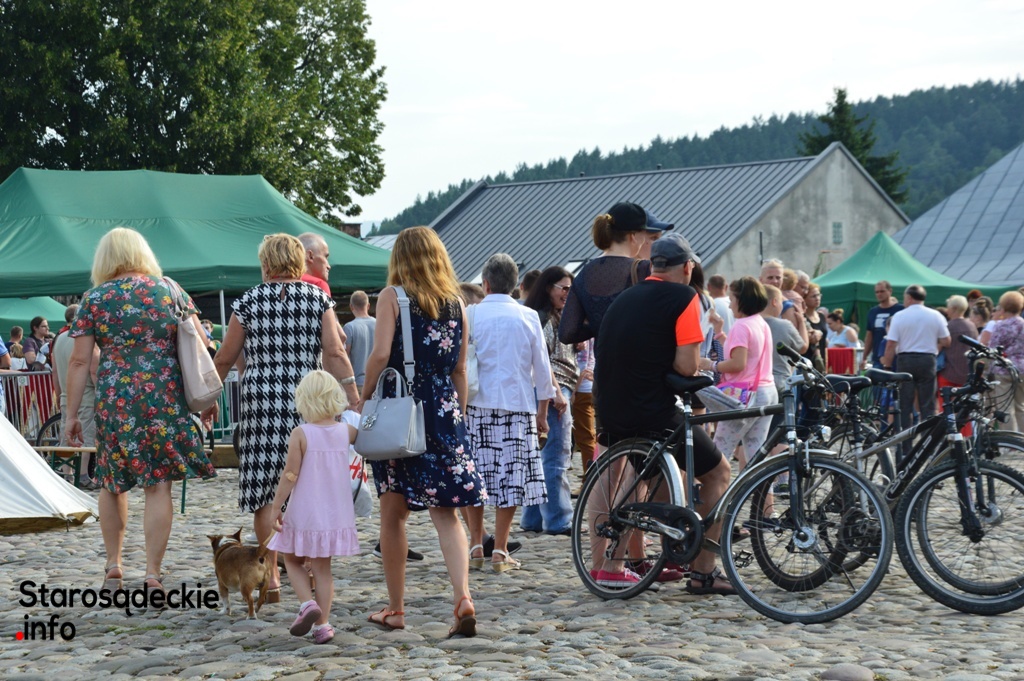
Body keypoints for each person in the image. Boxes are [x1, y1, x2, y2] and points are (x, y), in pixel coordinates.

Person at [207, 233, 360, 604]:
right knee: (306, 482)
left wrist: (208, 399)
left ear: (265, 264)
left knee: (265, 491)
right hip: (308, 401)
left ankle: (271, 576)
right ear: (300, 261)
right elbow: (335, 352)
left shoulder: (248, 302)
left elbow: (225, 357)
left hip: (260, 403)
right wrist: (353, 396)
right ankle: (308, 566)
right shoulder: (318, 299)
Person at [65, 227, 216, 595]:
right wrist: (208, 398)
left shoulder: (95, 299)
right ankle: (152, 573)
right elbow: (201, 344)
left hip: (116, 401)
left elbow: (80, 361)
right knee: (158, 485)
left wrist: (71, 414)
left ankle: (114, 566)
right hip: (163, 399)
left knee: (112, 482)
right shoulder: (170, 290)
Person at [360, 226, 485, 637]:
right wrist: (456, 416)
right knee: (447, 512)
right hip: (444, 411)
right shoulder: (457, 303)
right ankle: (463, 597)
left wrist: (364, 397)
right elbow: (460, 369)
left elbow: (380, 354)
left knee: (393, 513)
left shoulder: (392, 297)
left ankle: (396, 609)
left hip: (401, 410)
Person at [596, 233, 734, 594]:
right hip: (651, 409)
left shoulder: (625, 297)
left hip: (611, 407)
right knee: (719, 472)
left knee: (653, 478)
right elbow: (686, 365)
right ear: (688, 267)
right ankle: (704, 571)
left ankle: (622, 563)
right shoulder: (684, 297)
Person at [464, 254, 555, 571]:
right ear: (515, 284)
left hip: (476, 406)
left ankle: (476, 544)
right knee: (512, 479)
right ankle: (500, 549)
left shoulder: (470, 314)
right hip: (517, 407)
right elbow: (542, 368)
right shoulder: (528, 316)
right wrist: (543, 411)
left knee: (474, 476)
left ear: (485, 284)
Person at [268, 370, 360, 645]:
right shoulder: (346, 431)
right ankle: (323, 626)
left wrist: (276, 506)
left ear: (304, 400)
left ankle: (307, 603)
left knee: (293, 560)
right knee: (323, 570)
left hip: (305, 511)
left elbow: (290, 474)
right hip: (335, 513)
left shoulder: (301, 433)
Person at [559, 201, 668, 344]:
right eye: (644, 235)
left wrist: (599, 324)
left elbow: (567, 334)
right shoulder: (644, 269)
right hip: (640, 356)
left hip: (604, 357)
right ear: (633, 236)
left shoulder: (584, 273)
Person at [522, 266, 579, 536]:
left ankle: (533, 518)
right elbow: (543, 362)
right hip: (554, 390)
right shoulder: (545, 319)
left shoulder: (550, 316)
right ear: (548, 288)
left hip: (546, 389)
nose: (568, 293)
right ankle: (558, 519)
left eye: (571, 289)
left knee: (539, 457)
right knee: (556, 456)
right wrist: (556, 392)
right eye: (563, 288)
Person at [703, 277, 777, 469]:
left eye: (732, 299)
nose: (729, 305)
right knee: (755, 452)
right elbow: (744, 353)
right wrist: (719, 332)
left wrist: (709, 365)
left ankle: (715, 489)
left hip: (744, 395)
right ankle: (760, 489)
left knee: (719, 451)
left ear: (742, 300)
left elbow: (738, 363)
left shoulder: (741, 326)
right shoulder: (760, 322)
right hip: (766, 391)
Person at [881, 285, 951, 449]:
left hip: (905, 360)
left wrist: (887, 365)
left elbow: (891, 343)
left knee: (905, 405)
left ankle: (905, 446)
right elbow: (947, 341)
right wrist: (933, 343)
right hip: (927, 359)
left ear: (909, 298)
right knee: (927, 405)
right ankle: (928, 444)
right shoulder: (936, 315)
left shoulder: (899, 316)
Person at [51, 304, 100, 489]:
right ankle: (83, 476)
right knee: (85, 436)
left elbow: (55, 371)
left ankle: (66, 474)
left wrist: (58, 394)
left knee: (67, 436)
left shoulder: (60, 338)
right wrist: (101, 395)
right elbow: (93, 370)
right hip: (85, 394)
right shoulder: (86, 338)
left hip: (66, 394)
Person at [987, 291, 1024, 431]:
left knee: (1004, 407)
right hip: (1022, 368)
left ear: (1003, 306)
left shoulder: (1000, 326)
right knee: (1021, 406)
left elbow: (993, 349)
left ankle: (1009, 439)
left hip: (1003, 369)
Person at [938, 295, 978, 406]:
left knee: (946, 406)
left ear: (954, 308)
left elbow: (938, 348)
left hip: (948, 373)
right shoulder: (972, 326)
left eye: (948, 307)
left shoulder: (948, 326)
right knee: (963, 408)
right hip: (967, 373)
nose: (947, 310)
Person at [862, 280, 903, 370]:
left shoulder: (900, 310)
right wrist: (864, 357)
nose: (879, 294)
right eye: (877, 292)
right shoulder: (873, 312)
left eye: (882, 291)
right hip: (878, 359)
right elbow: (869, 336)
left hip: (898, 359)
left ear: (890, 291)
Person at [343, 291, 376, 393]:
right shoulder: (379, 324)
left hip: (358, 383)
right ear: (368, 306)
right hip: (377, 382)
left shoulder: (349, 327)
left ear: (351, 306)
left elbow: (344, 356)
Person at [298, 232, 333, 297]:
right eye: (325, 257)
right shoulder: (318, 285)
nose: (329, 266)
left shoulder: (279, 282)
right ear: (310, 256)